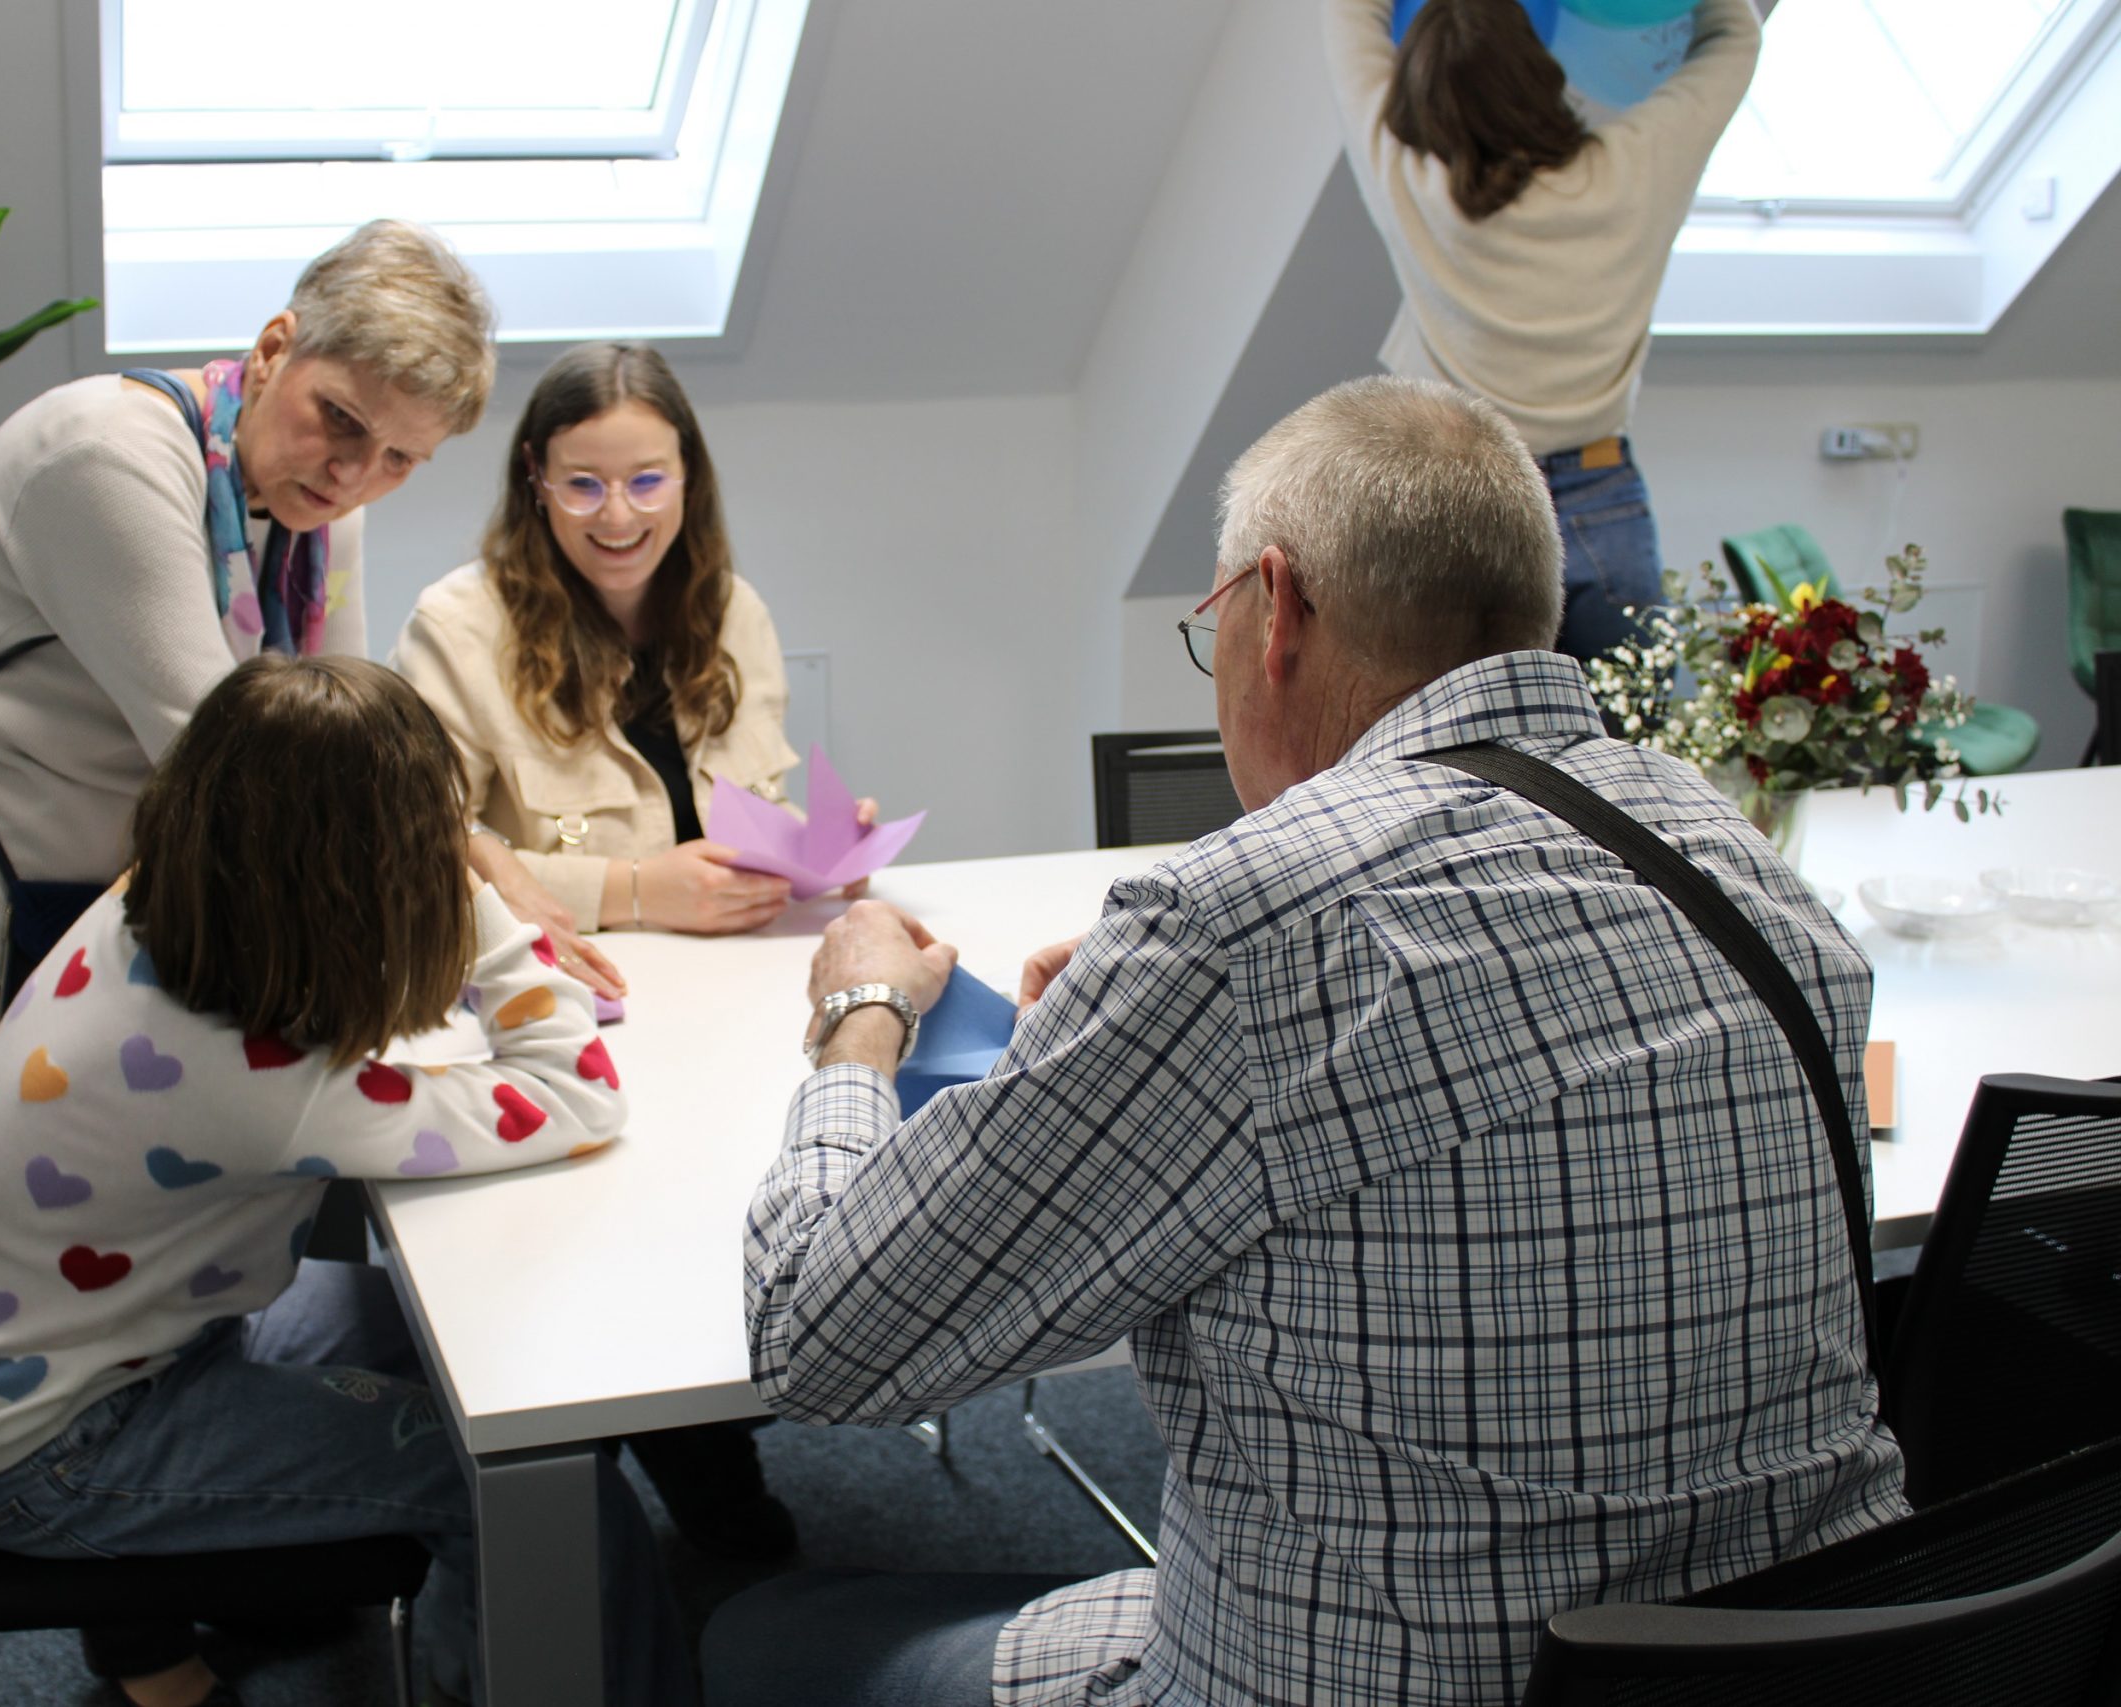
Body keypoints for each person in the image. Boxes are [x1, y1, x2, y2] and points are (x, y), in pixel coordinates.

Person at [705, 376, 1907, 1706]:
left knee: (763, 1636)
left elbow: (821, 1338)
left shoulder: (1248, 924)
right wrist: (1124, 1045)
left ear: (1273, 606)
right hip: (1793, 1655)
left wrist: (857, 1022)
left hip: (1375, 1672)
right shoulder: (1739, 856)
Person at [0, 654, 693, 1707]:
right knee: (531, 1485)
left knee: (493, 1354)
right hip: (64, 1450)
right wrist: (480, 899)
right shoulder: (254, 1087)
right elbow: (579, 1094)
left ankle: (472, 1653)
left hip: (76, 1354)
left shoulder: (152, 905)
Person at [0, 218, 496, 1111]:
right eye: (341, 419)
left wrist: (477, 865)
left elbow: (342, 728)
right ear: (276, 347)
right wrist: (475, 915)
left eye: (400, 459)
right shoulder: (108, 454)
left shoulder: (318, 497)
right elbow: (235, 757)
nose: (354, 473)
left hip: (127, 885)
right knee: (3, 1196)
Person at [391, 343, 861, 1562]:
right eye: (585, 486)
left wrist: (817, 842)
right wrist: (632, 889)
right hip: (575, 1006)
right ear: (534, 480)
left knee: (745, 1198)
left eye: (647, 482)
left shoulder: (731, 607)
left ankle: (711, 1460)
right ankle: (689, 1493)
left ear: (688, 478)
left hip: (735, 1000)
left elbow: (741, 808)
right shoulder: (456, 622)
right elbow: (420, 843)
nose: (619, 517)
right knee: (610, 1240)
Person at [1326, 0, 1763, 663]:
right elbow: (1735, 36)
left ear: (1425, 101)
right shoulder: (1634, 171)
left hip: (1458, 499)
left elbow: (1348, 21)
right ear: (1542, 71)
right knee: (1631, 753)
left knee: (1461, 755)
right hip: (1599, 498)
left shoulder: (1412, 183)